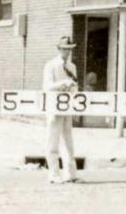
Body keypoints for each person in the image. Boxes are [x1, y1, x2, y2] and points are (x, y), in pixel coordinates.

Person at [43, 36, 81, 184]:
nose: (67, 52)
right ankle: (53, 174)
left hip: (68, 107)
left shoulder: (72, 67)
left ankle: (70, 174)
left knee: (68, 141)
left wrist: (76, 104)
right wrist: (62, 84)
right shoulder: (50, 65)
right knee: (52, 141)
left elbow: (75, 87)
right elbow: (47, 86)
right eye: (65, 49)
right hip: (54, 107)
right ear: (59, 49)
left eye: (70, 49)